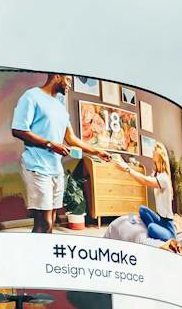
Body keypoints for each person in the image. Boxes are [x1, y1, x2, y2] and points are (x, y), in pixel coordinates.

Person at [9, 73, 111, 233]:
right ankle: (35, 255)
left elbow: (70, 137)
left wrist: (96, 151)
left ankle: (45, 254)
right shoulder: (31, 96)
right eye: (68, 80)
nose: (70, 84)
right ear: (57, 76)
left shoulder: (60, 105)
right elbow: (19, 129)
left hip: (55, 169)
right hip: (36, 166)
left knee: (52, 220)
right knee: (44, 222)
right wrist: (51, 144)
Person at [111, 142, 179, 243]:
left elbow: (145, 181)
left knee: (151, 228)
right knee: (142, 209)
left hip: (168, 226)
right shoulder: (157, 174)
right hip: (160, 219)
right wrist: (122, 164)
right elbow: (144, 179)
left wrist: (127, 169)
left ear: (160, 156)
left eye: (154, 151)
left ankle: (163, 232)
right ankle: (156, 228)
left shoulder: (163, 178)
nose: (152, 153)